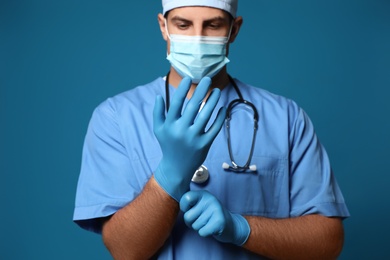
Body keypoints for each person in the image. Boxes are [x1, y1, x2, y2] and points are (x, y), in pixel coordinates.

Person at [73, 0, 350, 259]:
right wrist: (169, 177)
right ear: (163, 26)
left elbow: (328, 242)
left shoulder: (285, 117)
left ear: (234, 30)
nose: (197, 38)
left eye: (213, 25)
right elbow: (125, 251)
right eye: (183, 25)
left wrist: (241, 229)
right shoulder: (116, 117)